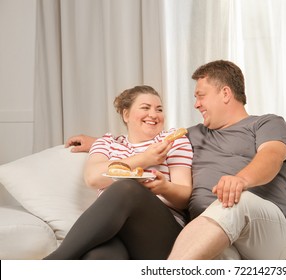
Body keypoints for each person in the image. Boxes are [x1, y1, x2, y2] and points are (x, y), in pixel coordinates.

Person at [65, 60, 286, 260]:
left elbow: (271, 157)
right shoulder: (194, 134)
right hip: (211, 233)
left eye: (200, 96)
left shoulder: (265, 123)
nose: (196, 104)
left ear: (225, 93)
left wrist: (241, 180)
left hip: (263, 229)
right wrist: (94, 141)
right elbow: (147, 138)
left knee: (235, 202)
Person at [44, 85, 193, 260]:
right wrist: (146, 158)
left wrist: (164, 187)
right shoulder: (106, 143)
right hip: (114, 232)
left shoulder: (173, 141)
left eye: (159, 109)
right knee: (97, 257)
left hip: (160, 236)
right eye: (145, 108)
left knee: (127, 188)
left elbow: (185, 197)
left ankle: (51, 263)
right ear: (126, 114)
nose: (153, 114)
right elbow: (93, 178)